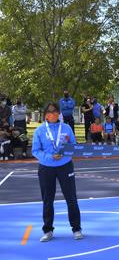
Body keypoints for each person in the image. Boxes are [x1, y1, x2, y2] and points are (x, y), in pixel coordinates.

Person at [31, 102, 83, 242]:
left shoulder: (66, 128)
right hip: (46, 168)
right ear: (45, 115)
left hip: (65, 166)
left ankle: (76, 229)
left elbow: (74, 146)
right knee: (47, 200)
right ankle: (48, 230)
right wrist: (49, 157)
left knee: (71, 199)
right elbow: (35, 151)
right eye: (49, 111)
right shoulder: (40, 130)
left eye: (55, 111)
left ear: (59, 113)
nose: (52, 114)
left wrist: (65, 153)